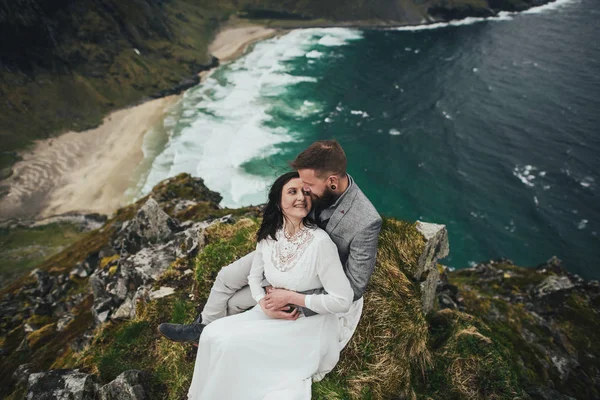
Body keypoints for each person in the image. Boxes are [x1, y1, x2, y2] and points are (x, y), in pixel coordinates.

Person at [158, 140, 382, 350]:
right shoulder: (319, 184)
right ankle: (204, 328)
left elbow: (354, 287)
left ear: (332, 182)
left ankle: (210, 336)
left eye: (308, 186)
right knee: (227, 276)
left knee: (235, 302)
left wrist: (294, 297)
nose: (304, 191)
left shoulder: (366, 221)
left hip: (310, 276)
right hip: (283, 248)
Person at [187, 172, 353, 399]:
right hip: (268, 313)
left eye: (305, 192)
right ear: (278, 201)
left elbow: (343, 300)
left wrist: (292, 298)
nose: (301, 197)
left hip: (307, 325)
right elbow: (255, 278)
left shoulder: (320, 243)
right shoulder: (269, 235)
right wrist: (262, 303)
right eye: (292, 192)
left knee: (229, 346)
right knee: (212, 334)